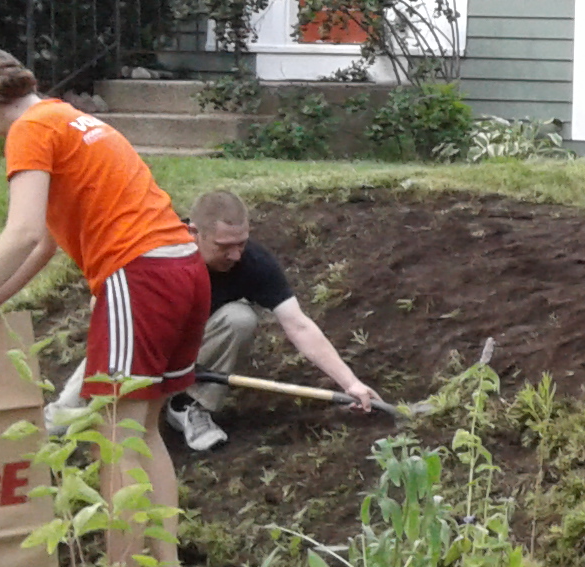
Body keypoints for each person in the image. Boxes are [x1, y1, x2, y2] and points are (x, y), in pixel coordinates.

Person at [0, 48, 201, 567]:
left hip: (137, 274)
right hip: (182, 265)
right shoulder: (68, 118)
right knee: (142, 433)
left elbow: (19, 231)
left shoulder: (29, 129)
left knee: (111, 442)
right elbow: (45, 242)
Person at [49, 190, 381, 451]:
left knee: (240, 319)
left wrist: (350, 383)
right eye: (225, 246)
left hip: (191, 348)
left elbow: (298, 324)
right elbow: (103, 308)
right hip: (135, 342)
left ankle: (188, 405)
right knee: (62, 423)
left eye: (241, 244)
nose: (235, 255)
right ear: (193, 232)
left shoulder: (252, 263)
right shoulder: (155, 253)